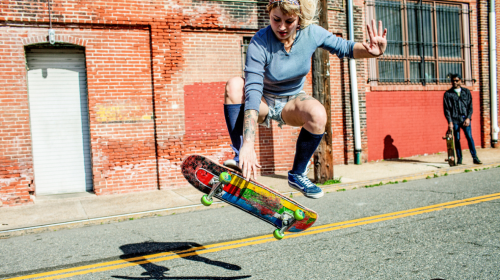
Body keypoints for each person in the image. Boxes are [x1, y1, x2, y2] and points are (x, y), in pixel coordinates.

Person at [223, 0, 387, 198]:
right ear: (269, 14)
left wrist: (371, 52)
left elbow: (344, 47)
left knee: (318, 114)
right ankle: (240, 154)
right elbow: (253, 91)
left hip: (291, 102)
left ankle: (298, 174)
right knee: (234, 85)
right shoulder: (260, 41)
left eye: (289, 21)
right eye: (276, 20)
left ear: (300, 18)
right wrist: (248, 145)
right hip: (263, 101)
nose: (282, 27)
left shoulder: (311, 33)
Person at [443, 74, 482, 165]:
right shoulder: (448, 94)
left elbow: (470, 107)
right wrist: (450, 122)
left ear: (460, 81)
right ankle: (459, 159)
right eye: (453, 81)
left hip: (465, 119)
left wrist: (468, 118)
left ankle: (475, 157)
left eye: (456, 80)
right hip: (455, 119)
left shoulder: (466, 92)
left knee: (469, 137)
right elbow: (447, 109)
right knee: (457, 139)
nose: (454, 82)